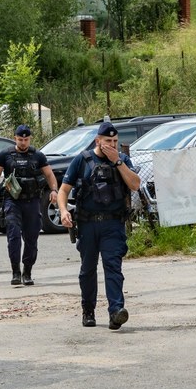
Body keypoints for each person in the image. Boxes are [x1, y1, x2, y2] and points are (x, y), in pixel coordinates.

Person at [57, 121, 141, 330]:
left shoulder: (123, 160)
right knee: (87, 269)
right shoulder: (82, 160)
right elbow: (63, 190)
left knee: (113, 266)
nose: (112, 145)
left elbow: (135, 184)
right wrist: (63, 210)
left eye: (114, 141)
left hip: (113, 224)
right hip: (87, 224)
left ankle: (116, 311)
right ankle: (88, 310)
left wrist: (118, 163)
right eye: (107, 141)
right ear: (97, 140)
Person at [0, 124, 57, 287]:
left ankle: (27, 272)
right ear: (15, 138)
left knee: (31, 238)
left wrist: (54, 190)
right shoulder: (6, 155)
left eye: (26, 139)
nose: (23, 142)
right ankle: (15, 271)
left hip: (32, 202)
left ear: (30, 139)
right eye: (20, 139)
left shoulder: (37, 155)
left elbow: (49, 174)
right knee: (14, 236)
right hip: (13, 201)